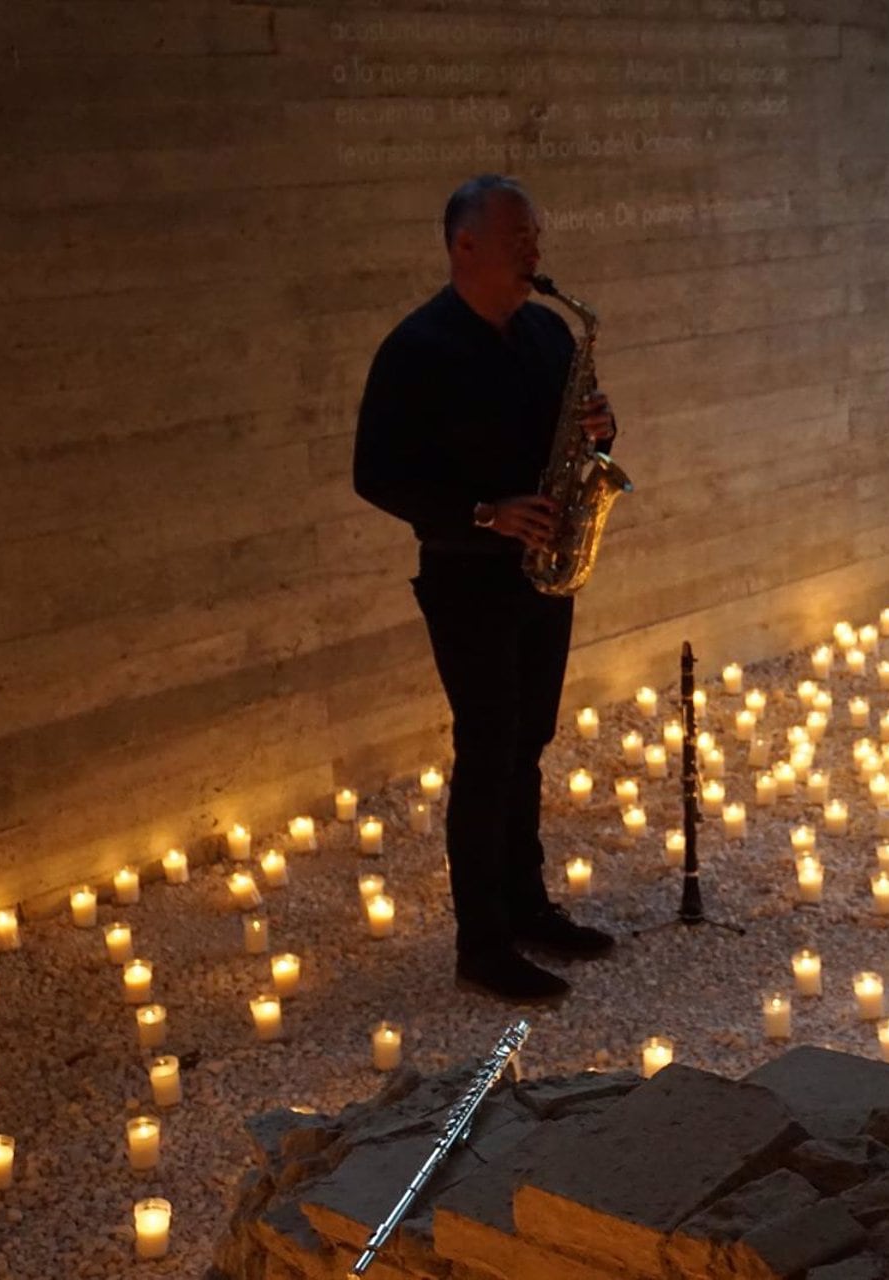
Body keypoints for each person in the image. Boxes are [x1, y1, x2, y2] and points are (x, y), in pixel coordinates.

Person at [352, 174, 618, 1004]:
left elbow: (575, 445)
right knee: (487, 749)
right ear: (465, 245)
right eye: (518, 237)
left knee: (529, 741)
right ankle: (483, 941)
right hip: (467, 573)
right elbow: (376, 474)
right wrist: (484, 513)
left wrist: (601, 432)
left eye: (535, 234)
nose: (534, 250)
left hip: (544, 570)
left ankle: (528, 905)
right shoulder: (416, 348)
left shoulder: (546, 334)